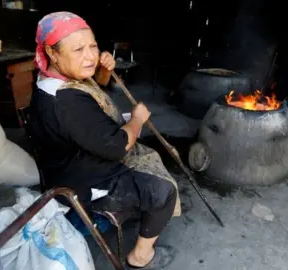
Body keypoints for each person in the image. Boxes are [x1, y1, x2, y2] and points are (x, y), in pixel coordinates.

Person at [30, 11, 181, 269]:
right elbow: (117, 146)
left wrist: (102, 71)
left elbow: (95, 87)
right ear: (52, 52)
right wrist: (136, 120)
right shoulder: (65, 101)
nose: (89, 55)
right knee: (164, 190)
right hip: (81, 181)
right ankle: (140, 257)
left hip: (71, 159)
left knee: (148, 153)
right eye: (78, 49)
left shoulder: (55, 77)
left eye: (93, 46)